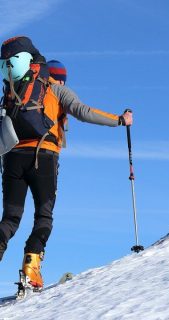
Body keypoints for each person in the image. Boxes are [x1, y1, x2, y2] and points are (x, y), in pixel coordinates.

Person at [0, 36, 132, 289]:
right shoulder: (56, 89)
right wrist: (119, 119)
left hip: (12, 158)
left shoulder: (14, 89)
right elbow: (83, 112)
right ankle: (31, 267)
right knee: (44, 216)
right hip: (44, 158)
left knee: (10, 219)